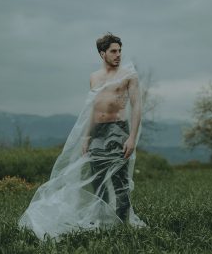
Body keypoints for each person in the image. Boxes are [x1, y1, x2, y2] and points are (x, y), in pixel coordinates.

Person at [18, 33, 145, 240]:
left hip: (118, 130)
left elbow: (137, 106)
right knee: (98, 183)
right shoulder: (94, 77)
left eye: (120, 50)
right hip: (97, 134)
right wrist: (86, 138)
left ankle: (123, 229)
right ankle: (104, 225)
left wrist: (132, 137)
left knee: (120, 183)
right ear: (102, 53)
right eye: (113, 51)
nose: (118, 55)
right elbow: (91, 110)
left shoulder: (128, 75)